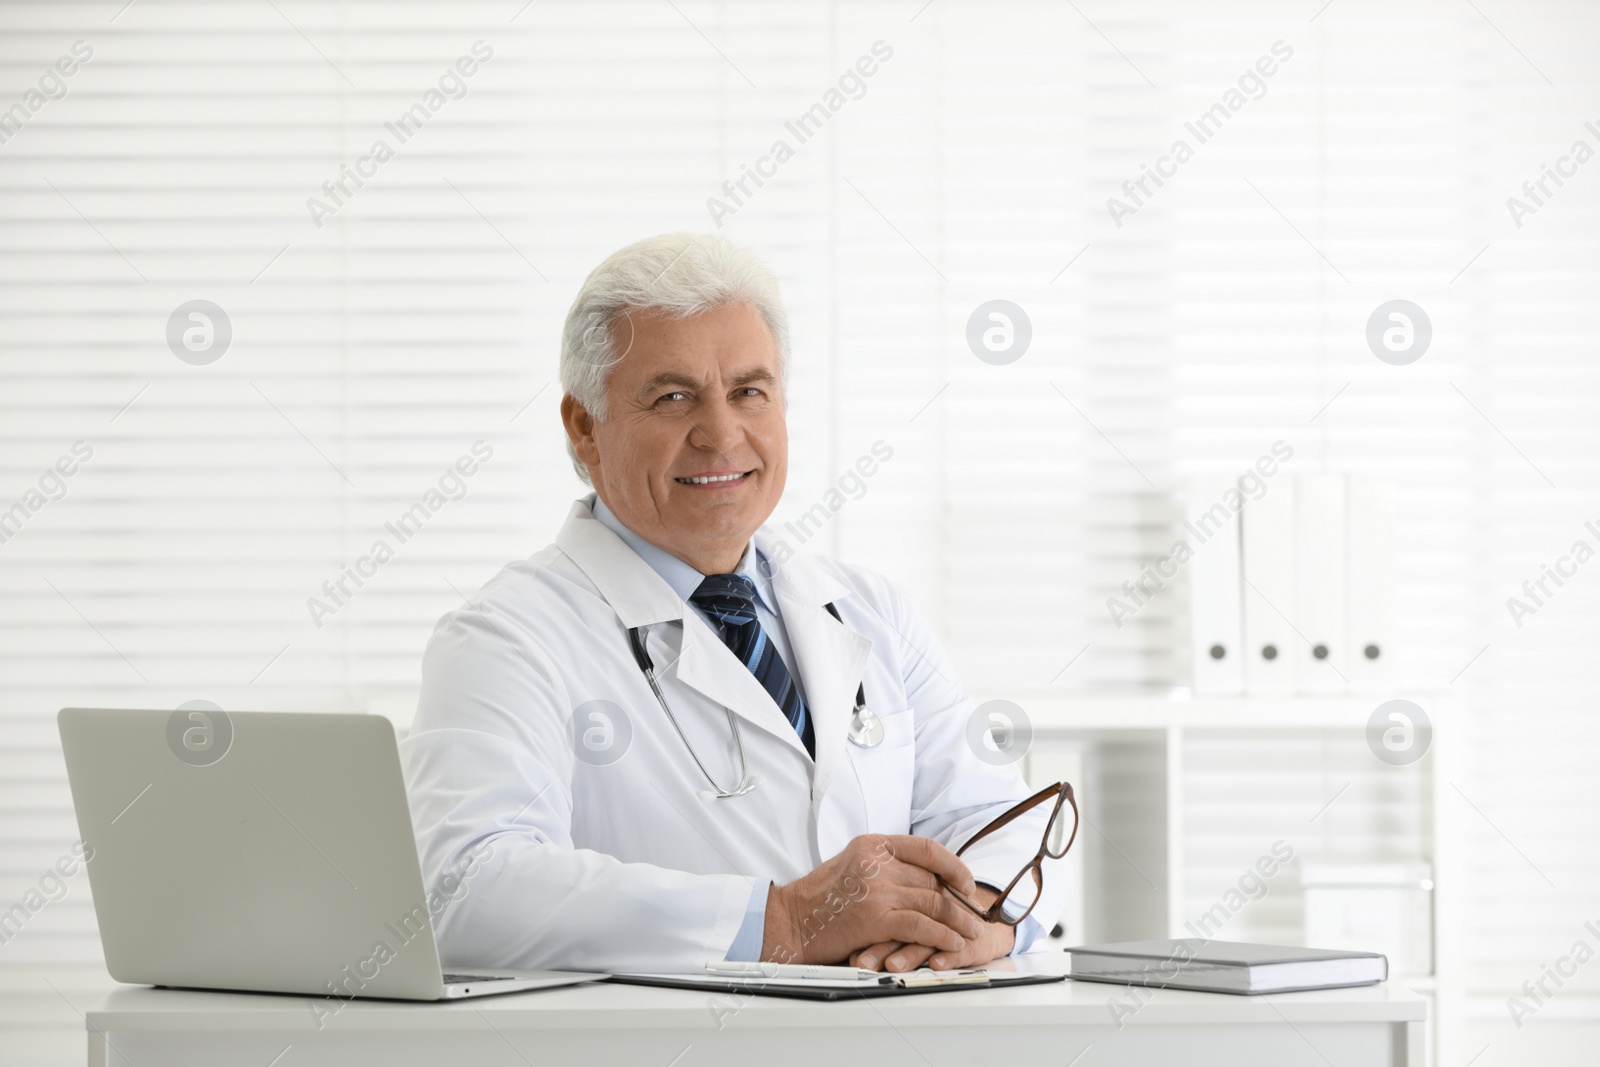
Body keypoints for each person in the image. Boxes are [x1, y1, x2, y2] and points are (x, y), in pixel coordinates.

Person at [400, 233, 1067, 974]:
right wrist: (780, 921)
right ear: (584, 427)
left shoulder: (871, 611)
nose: (721, 433)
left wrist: (982, 917)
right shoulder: (507, 638)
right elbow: (467, 891)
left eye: (749, 391)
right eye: (673, 395)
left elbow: (999, 824)